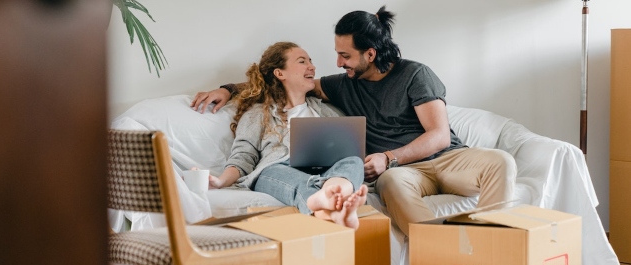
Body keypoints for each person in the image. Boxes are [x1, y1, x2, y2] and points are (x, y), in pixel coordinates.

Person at [191, 7, 516, 235]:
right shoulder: (337, 86)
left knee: (501, 162)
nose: (335, 62)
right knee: (389, 184)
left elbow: (439, 136)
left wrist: (387, 158)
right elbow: (272, 89)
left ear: (370, 54)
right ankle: (438, 248)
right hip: (398, 175)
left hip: (445, 160)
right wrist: (228, 88)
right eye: (336, 54)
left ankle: (491, 243)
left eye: (344, 56)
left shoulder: (414, 75)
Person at [206, 41, 368, 229]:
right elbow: (243, 156)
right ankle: (328, 202)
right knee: (271, 171)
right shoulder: (258, 113)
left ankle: (330, 202)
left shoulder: (327, 112)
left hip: (324, 172)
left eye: (310, 61)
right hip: (277, 171)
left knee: (353, 160)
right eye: (302, 61)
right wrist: (220, 181)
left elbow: (348, 151)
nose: (312, 67)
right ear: (279, 73)